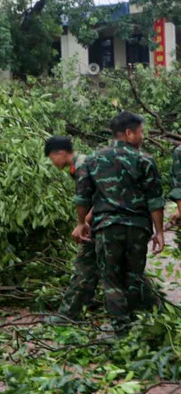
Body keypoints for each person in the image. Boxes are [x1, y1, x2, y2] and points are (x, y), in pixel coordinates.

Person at [44, 136, 160, 324]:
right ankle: (155, 310)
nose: (52, 162)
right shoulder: (80, 165)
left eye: (51, 157)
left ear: (60, 153)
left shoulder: (83, 165)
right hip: (107, 225)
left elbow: (98, 194)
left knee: (95, 269)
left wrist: (83, 223)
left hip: (104, 225)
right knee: (115, 269)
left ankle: (71, 315)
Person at [74, 112, 165, 336]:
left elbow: (82, 197)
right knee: (133, 276)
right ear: (128, 133)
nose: (142, 136)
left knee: (111, 279)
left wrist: (81, 223)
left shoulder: (92, 159)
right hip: (138, 228)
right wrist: (159, 232)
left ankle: (122, 330)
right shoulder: (145, 160)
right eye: (141, 132)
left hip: (107, 228)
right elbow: (155, 200)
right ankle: (134, 325)